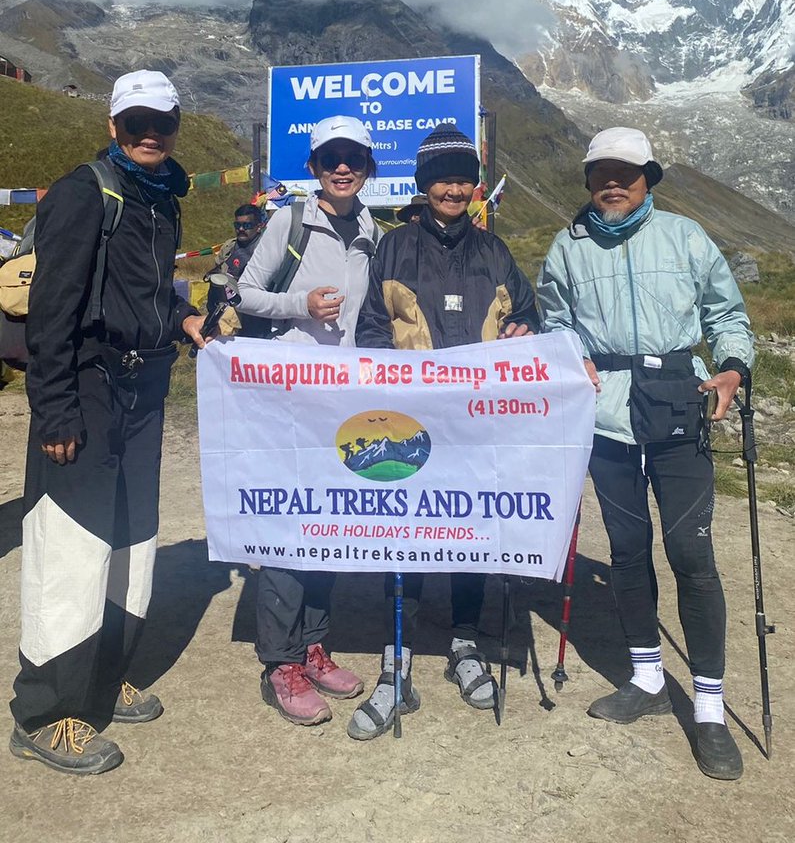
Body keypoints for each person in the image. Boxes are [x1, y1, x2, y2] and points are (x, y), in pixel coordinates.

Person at [536, 127, 753, 781]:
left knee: (690, 554)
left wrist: (732, 369)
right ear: (587, 179)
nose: (611, 181)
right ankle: (648, 680)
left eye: (625, 172)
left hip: (675, 404)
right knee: (627, 554)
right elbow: (552, 322)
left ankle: (708, 711)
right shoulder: (565, 248)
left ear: (647, 178)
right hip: (605, 418)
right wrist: (566, 355)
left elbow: (726, 313)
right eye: (599, 170)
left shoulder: (684, 236)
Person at [9, 70, 206, 775]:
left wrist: (184, 318)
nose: (151, 133)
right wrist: (55, 407)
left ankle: (99, 680)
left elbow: (148, 290)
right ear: (113, 127)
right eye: (136, 122)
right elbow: (53, 311)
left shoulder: (160, 199)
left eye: (163, 121)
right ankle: (43, 713)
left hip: (145, 388)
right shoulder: (81, 192)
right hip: (88, 390)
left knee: (131, 540)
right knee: (69, 543)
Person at [348, 123, 539, 741]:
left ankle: (464, 642)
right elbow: (371, 331)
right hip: (410, 422)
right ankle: (394, 658)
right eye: (441, 179)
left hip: (478, 424)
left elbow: (529, 318)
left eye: (463, 178)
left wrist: (522, 334)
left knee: (469, 529)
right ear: (424, 184)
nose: (454, 189)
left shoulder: (495, 251)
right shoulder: (395, 247)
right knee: (404, 535)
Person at [237, 115, 381, 727]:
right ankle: (281, 663)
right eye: (330, 159)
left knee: (329, 527)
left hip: (346, 403)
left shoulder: (375, 229)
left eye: (353, 158)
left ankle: (315, 647)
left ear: (368, 168)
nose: (341, 167)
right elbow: (241, 292)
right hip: (290, 398)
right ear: (314, 167)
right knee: (289, 524)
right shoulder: (290, 220)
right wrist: (300, 304)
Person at [205, 203, 267, 335]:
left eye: (247, 225)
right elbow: (217, 270)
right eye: (237, 225)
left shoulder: (265, 249)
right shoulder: (229, 247)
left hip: (252, 314)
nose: (241, 229)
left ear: (259, 226)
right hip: (224, 311)